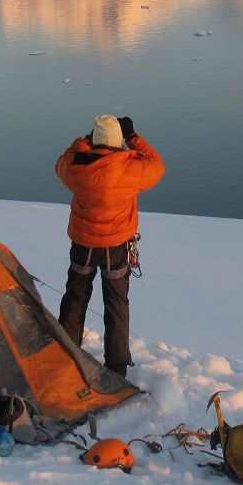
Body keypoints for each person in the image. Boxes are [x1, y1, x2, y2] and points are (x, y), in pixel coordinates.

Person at [55, 114, 165, 377]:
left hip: (83, 243)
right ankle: (116, 366)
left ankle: (65, 354)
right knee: (116, 302)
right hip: (116, 246)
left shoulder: (77, 167)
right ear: (119, 141)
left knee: (75, 296)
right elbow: (157, 166)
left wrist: (83, 142)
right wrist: (134, 137)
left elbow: (61, 163)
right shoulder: (130, 168)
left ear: (94, 140)